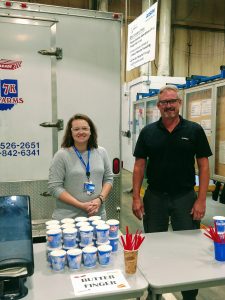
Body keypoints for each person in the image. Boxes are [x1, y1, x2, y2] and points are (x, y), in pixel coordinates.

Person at [132, 85, 212, 300]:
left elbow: (204, 166)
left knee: (188, 249)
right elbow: (139, 166)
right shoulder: (148, 132)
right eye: (164, 102)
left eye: (172, 101)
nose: (169, 106)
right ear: (158, 106)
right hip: (155, 197)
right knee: (153, 248)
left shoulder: (193, 130)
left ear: (179, 103)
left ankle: (189, 296)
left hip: (185, 197)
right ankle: (153, 294)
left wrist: (201, 200)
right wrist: (136, 197)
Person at [48, 113, 113, 221]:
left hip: (97, 216)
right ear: (71, 132)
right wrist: (81, 205)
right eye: (76, 129)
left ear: (90, 131)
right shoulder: (62, 155)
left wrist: (99, 200)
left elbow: (108, 179)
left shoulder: (101, 152)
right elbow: (54, 187)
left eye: (84, 128)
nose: (81, 132)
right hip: (68, 219)